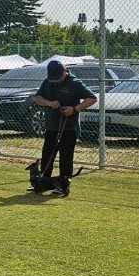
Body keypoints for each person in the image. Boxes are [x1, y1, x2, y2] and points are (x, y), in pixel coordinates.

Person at [31, 60, 96, 197]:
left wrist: (74, 109)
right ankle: (42, 183)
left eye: (57, 78)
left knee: (65, 157)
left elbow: (92, 98)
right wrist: (49, 103)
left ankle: (63, 185)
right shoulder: (47, 82)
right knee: (47, 154)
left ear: (63, 72)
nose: (54, 81)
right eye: (52, 79)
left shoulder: (74, 83)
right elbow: (37, 98)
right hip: (51, 126)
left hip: (69, 127)